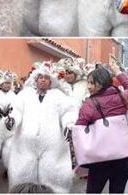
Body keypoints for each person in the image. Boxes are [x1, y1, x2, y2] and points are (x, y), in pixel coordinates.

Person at [6, 62, 78, 193]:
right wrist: (12, 120)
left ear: (51, 81)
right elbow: (16, 110)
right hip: (25, 146)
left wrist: (69, 125)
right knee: (22, 175)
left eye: (46, 78)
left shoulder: (58, 96)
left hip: (53, 146)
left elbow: (68, 112)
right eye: (41, 77)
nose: (43, 80)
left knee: (55, 177)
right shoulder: (24, 95)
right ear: (36, 79)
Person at [74, 61, 128, 193]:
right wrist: (119, 73)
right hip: (122, 159)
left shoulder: (89, 104)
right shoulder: (121, 97)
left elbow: (79, 128)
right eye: (88, 82)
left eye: (92, 83)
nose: (89, 87)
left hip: (99, 160)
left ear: (102, 82)